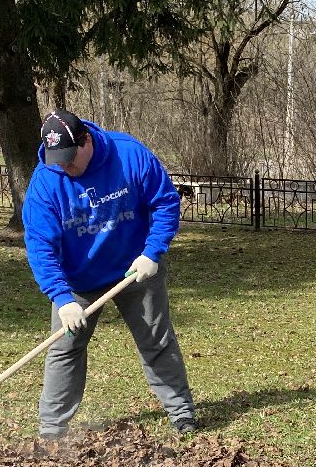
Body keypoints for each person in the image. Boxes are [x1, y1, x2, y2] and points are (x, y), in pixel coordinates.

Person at [23, 108, 197, 441]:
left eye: (71, 158)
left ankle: (182, 414)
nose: (65, 166)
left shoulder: (128, 154)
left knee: (157, 341)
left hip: (135, 269)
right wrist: (62, 299)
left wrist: (153, 251)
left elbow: (165, 202)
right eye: (58, 159)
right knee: (65, 348)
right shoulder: (46, 181)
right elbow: (40, 246)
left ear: (86, 140)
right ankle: (52, 429)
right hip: (78, 280)